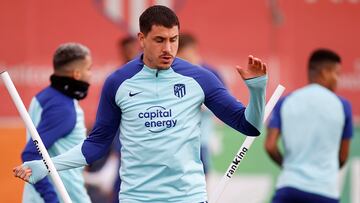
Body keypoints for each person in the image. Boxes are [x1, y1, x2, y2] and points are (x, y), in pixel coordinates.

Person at [14, 5, 268, 202]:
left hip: (187, 198)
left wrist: (257, 90)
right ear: (142, 38)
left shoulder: (199, 78)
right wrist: (46, 165)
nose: (168, 48)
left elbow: (249, 126)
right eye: (160, 40)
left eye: (174, 39)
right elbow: (95, 146)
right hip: (137, 198)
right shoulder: (118, 82)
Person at [265, 49, 353, 203]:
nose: (337, 79)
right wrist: (326, 173)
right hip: (325, 191)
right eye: (336, 74)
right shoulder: (343, 106)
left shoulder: (285, 102)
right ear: (325, 72)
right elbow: (343, 155)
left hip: (289, 187)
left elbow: (270, 146)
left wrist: (288, 166)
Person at [20, 43, 92, 203]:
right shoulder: (63, 108)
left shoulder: (42, 97)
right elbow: (31, 153)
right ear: (77, 74)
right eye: (89, 69)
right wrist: (51, 199)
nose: (91, 74)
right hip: (64, 197)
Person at [177, 33, 225, 179]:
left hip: (201, 136)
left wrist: (201, 103)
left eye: (182, 51)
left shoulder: (210, 73)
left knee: (201, 175)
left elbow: (222, 104)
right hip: (177, 137)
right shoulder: (172, 71)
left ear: (192, 49)